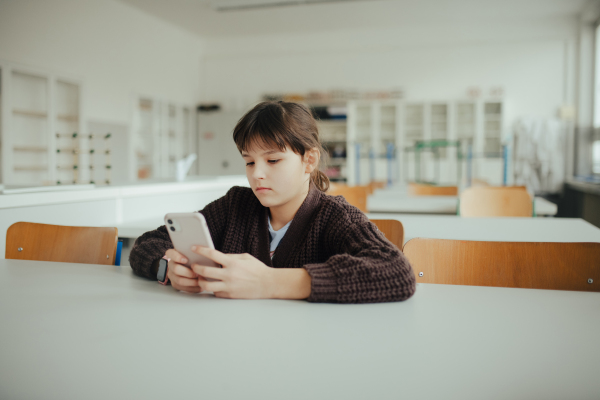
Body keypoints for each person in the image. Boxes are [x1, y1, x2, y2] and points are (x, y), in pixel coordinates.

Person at [129, 101, 416, 303]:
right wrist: (167, 267)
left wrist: (268, 282)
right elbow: (147, 243)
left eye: (273, 160)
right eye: (249, 162)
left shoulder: (335, 217)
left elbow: (396, 273)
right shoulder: (235, 205)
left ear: (309, 160)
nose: (257, 174)